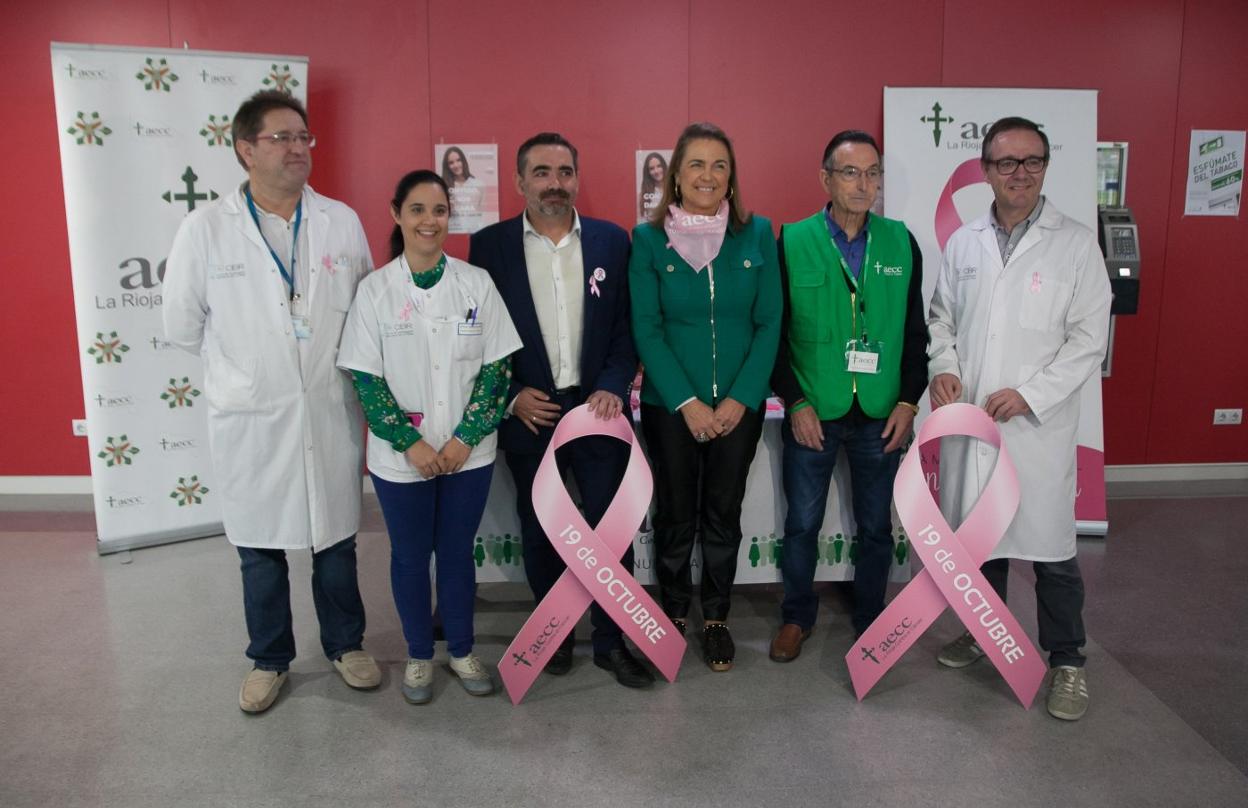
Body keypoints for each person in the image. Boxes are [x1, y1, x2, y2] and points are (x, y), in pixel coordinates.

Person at [163, 90, 379, 714]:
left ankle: (345, 645)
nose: (297, 149)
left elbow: (364, 308)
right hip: (253, 415)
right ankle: (269, 658)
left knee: (335, 539)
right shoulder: (205, 230)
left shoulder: (338, 219)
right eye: (281, 138)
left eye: (303, 138)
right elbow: (182, 325)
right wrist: (249, 369)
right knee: (260, 548)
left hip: (327, 407)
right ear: (245, 150)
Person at [927, 116, 1111, 721]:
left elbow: (1089, 340)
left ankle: (1068, 663)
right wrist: (944, 367)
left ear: (1046, 167)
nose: (1020, 173)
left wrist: (1032, 394)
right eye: (1006, 163)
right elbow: (941, 319)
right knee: (985, 543)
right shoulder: (964, 243)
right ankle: (986, 634)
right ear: (985, 172)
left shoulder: (1077, 243)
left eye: (1032, 161)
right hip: (975, 422)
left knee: (1053, 552)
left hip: (1037, 427)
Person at [468, 133, 652, 689]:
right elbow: (482, 337)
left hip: (597, 409)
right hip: (532, 410)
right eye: (542, 172)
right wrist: (511, 395)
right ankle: (554, 634)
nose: (555, 183)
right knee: (540, 528)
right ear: (521, 182)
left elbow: (626, 326)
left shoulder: (611, 241)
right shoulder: (489, 246)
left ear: (577, 178)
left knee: (608, 529)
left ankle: (610, 641)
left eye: (565, 171)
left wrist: (615, 384)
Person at [337, 170, 521, 704]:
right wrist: (408, 442)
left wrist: (465, 437)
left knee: (459, 553)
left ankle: (461, 650)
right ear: (397, 214)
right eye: (417, 210)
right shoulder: (375, 291)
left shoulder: (475, 284)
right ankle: (420, 655)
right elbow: (366, 379)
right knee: (411, 556)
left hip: (469, 452)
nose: (429, 221)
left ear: (450, 217)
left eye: (439, 210)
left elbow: (497, 370)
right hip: (402, 460)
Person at [768, 130, 928, 662]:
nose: (865, 184)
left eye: (873, 173)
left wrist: (908, 401)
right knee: (802, 524)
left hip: (881, 412)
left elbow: (914, 335)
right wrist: (795, 402)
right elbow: (774, 335)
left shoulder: (903, 242)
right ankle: (796, 617)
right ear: (826, 178)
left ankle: (869, 617)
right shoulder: (791, 241)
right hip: (815, 408)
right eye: (851, 172)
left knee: (877, 526)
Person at [629, 122, 782, 672]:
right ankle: (671, 614)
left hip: (738, 408)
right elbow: (647, 328)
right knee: (673, 516)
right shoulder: (647, 240)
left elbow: (770, 323)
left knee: (723, 513)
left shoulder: (758, 234)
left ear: (732, 177)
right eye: (696, 164)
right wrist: (687, 403)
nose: (708, 176)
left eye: (720, 165)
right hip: (673, 408)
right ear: (676, 174)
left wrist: (741, 397)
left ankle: (715, 617)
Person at [442, 145, 485, 232]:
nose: (456, 165)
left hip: (475, 232)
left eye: (458, 160)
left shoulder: (478, 184)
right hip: (452, 233)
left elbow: (481, 213)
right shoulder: (444, 186)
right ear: (447, 166)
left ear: (463, 161)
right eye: (451, 163)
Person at [638, 151, 667, 222]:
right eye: (652, 168)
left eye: (659, 166)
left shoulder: (674, 189)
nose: (656, 171)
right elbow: (641, 221)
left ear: (664, 166)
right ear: (648, 172)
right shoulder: (642, 195)